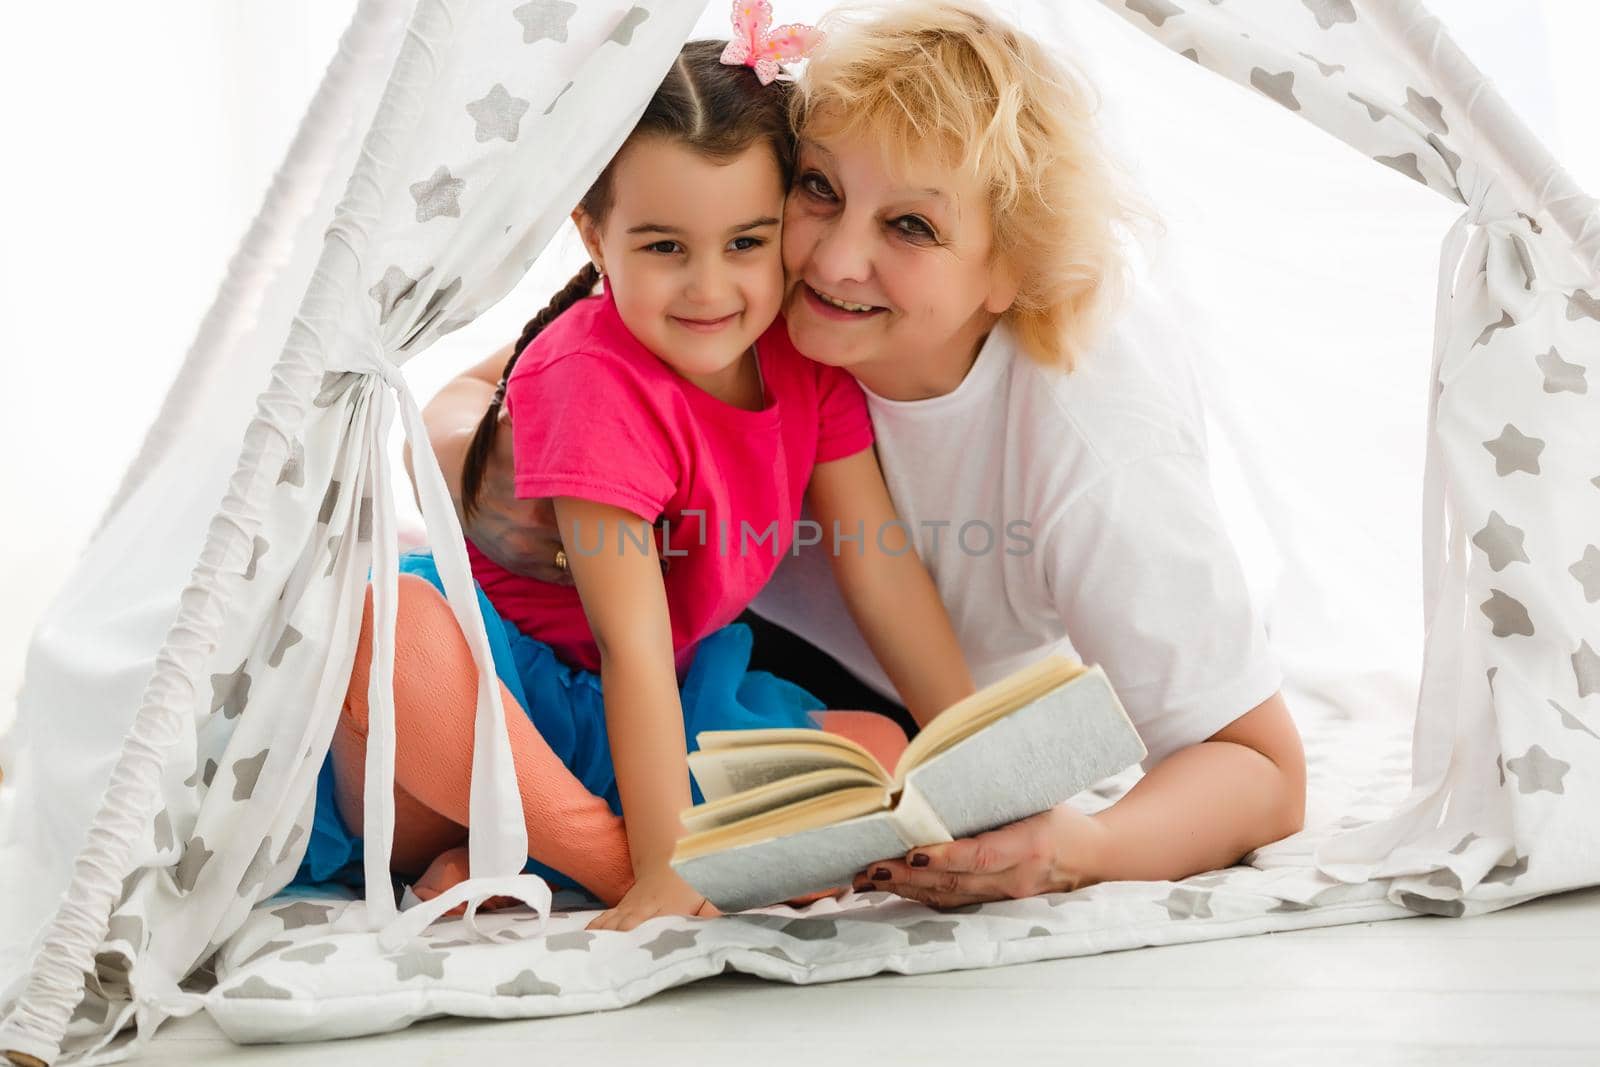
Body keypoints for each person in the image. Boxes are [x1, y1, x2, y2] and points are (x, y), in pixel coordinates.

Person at [420, 0, 1307, 911]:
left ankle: (556, 841)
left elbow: (1264, 768)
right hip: (602, 652)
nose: (836, 261)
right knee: (410, 644)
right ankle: (573, 847)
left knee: (868, 760)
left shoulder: (1095, 444)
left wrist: (1074, 841)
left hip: (772, 694)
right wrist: (492, 476)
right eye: (819, 190)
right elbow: (486, 396)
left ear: (1014, 271)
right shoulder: (745, 306)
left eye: (912, 227)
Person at [316, 36, 977, 932]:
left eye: (746, 242)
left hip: (665, 705)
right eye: (665, 246)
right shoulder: (592, 377)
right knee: (385, 638)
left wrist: (974, 744)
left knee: (880, 755)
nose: (710, 288)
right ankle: (598, 855)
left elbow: (881, 566)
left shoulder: (803, 350)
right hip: (491, 712)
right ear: (593, 235)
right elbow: (629, 640)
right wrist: (663, 864)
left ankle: (532, 850)